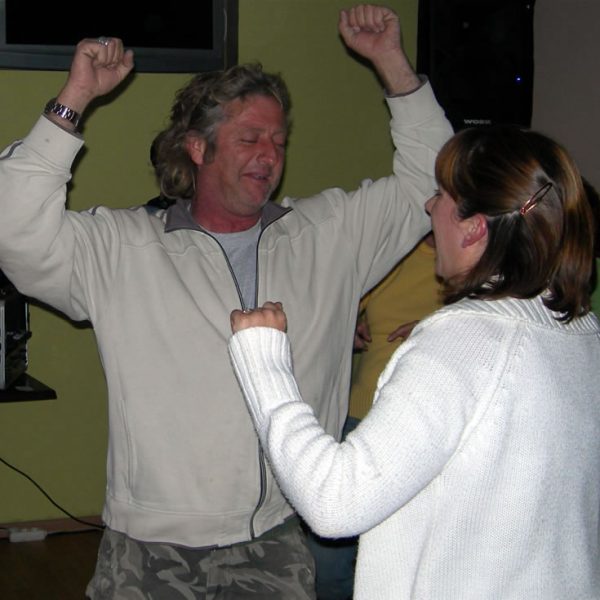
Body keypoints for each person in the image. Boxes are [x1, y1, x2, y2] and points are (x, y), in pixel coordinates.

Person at [0, 4, 452, 599]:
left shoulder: (330, 236)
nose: (270, 155)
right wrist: (74, 97)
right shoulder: (122, 248)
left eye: (279, 141)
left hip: (275, 537)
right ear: (198, 147)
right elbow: (13, 229)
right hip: (150, 541)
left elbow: (434, 178)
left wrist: (392, 61)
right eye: (250, 138)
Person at [228, 125, 600, 599]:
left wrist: (264, 359)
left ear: (474, 227)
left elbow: (334, 502)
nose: (429, 206)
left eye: (442, 194)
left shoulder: (468, 337)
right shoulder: (582, 333)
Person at [305, 231, 442, 600]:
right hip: (361, 419)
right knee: (326, 559)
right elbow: (336, 309)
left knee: (403, 561)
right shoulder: (396, 254)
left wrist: (437, 331)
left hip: (427, 432)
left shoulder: (484, 268)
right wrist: (347, 327)